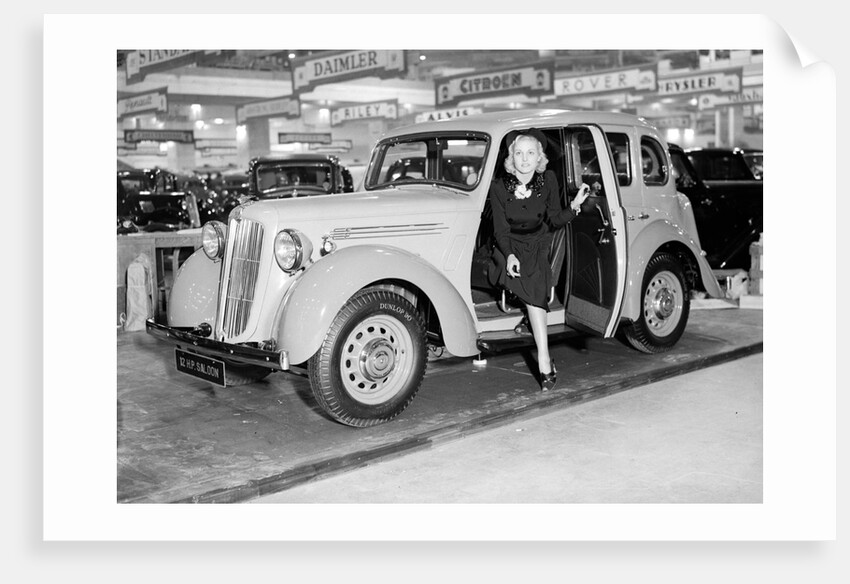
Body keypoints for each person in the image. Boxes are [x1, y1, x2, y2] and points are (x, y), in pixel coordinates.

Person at [488, 128, 590, 391]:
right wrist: (510, 255)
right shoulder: (498, 187)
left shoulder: (549, 180)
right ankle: (538, 337)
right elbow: (500, 230)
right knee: (530, 284)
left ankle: (543, 356)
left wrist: (574, 206)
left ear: (539, 157)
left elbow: (554, 219)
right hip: (509, 245)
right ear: (511, 157)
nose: (524, 159)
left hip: (537, 243)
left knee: (534, 284)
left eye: (530, 153)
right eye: (519, 153)